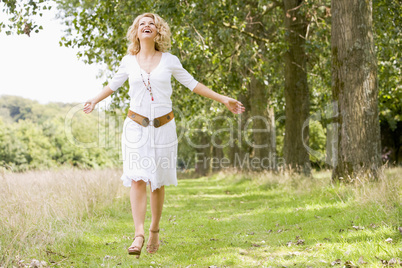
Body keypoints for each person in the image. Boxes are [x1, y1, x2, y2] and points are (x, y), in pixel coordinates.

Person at [83, 12, 245, 258]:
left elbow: (193, 84)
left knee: (156, 181)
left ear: (158, 32)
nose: (146, 26)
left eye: (151, 24)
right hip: (135, 128)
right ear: (137, 32)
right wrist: (94, 99)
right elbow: (113, 85)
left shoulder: (170, 60)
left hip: (163, 128)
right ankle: (138, 235)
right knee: (137, 179)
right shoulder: (128, 61)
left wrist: (223, 99)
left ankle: (154, 230)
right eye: (142, 24)